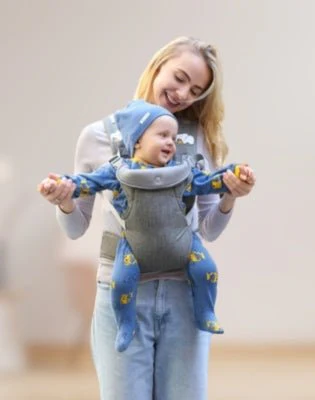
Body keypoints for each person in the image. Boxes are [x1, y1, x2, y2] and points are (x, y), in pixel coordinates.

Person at [38, 36, 256, 400]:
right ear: (158, 65)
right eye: (180, 77)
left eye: (195, 90)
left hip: (184, 296)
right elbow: (76, 228)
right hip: (122, 291)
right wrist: (63, 202)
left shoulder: (195, 138)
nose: (183, 93)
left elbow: (209, 229)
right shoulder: (96, 137)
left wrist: (230, 196)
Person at [40, 99, 254, 352]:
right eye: (163, 135)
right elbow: (85, 183)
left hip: (184, 244)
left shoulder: (184, 171)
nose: (170, 142)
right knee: (121, 282)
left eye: (173, 138)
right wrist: (60, 186)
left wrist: (235, 175)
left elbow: (210, 182)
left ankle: (205, 311)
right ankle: (126, 324)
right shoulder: (117, 170)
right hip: (134, 247)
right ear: (137, 140)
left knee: (207, 270)